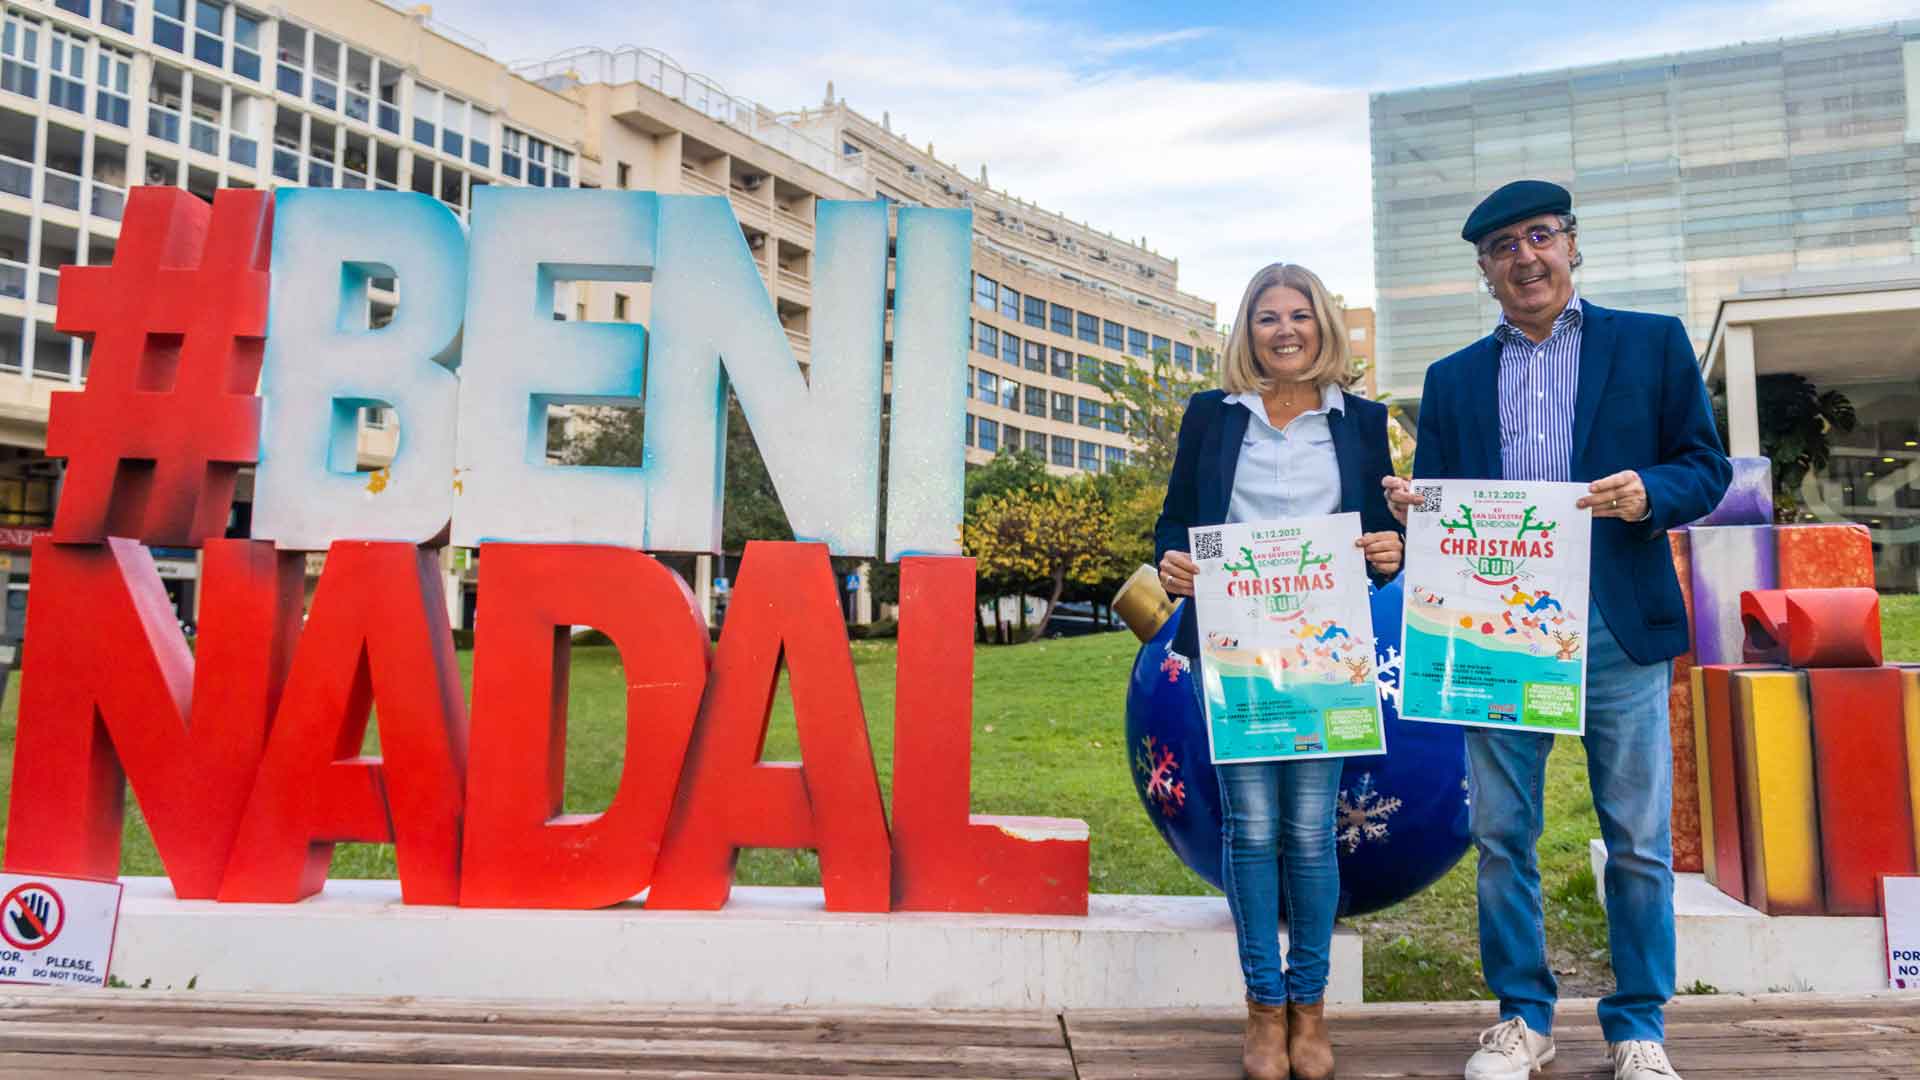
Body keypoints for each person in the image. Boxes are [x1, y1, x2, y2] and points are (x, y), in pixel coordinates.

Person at [1383, 180, 1730, 1080]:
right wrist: (1416, 509)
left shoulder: (1650, 344)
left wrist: (1651, 493)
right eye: (1503, 247)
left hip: (1615, 624)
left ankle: (1638, 1026)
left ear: (1572, 245)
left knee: (1639, 839)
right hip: (1498, 630)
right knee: (1503, 836)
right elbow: (1442, 511)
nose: (1525, 258)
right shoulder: (1452, 379)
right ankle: (1522, 1018)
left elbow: (1705, 466)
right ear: (1485, 271)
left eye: (1540, 237)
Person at [1155, 262, 1404, 1080]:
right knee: (1251, 829)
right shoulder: (1210, 417)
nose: (1285, 329)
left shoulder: (1364, 421)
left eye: (1300, 315)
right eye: (1268, 317)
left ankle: (1311, 1008)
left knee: (1307, 832)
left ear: (1322, 326)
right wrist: (1171, 565)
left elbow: (1380, 543)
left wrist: (1387, 550)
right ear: (1247, 331)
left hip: (1327, 650)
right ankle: (1263, 1008)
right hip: (1235, 648)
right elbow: (1174, 527)